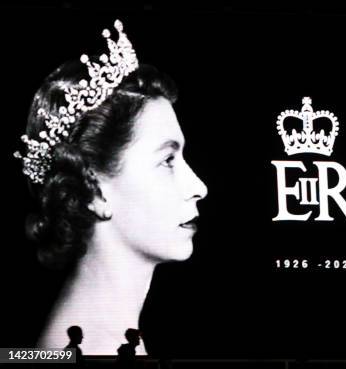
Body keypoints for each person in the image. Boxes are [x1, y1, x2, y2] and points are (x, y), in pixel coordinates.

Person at [14, 20, 207, 354]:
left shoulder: (111, 338)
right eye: (167, 161)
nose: (199, 186)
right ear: (95, 191)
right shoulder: (91, 348)